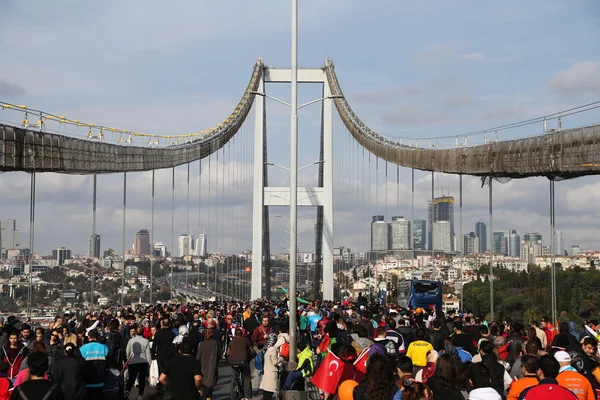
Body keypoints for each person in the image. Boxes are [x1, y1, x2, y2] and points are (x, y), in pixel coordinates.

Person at [79, 329, 108, 400]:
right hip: (100, 380)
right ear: (98, 337)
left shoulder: (83, 348)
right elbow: (108, 363)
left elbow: (79, 364)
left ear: (88, 337)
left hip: (87, 380)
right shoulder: (104, 347)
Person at [125, 326, 152, 399]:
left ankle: (127, 391)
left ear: (136, 332)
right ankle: (140, 395)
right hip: (143, 362)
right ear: (143, 332)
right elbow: (148, 354)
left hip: (133, 361)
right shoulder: (146, 341)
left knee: (131, 378)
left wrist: (128, 359)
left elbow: (127, 351)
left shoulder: (131, 340)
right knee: (142, 379)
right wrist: (149, 363)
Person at [197, 328, 220, 400]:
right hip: (212, 366)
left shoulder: (201, 344)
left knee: (204, 387)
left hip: (203, 367)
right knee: (210, 387)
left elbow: (198, 357)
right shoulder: (216, 343)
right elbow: (219, 355)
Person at [260, 334, 283, 400]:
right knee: (269, 393)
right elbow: (275, 362)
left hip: (267, 372)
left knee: (266, 392)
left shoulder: (267, 349)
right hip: (271, 373)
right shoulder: (273, 349)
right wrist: (281, 358)